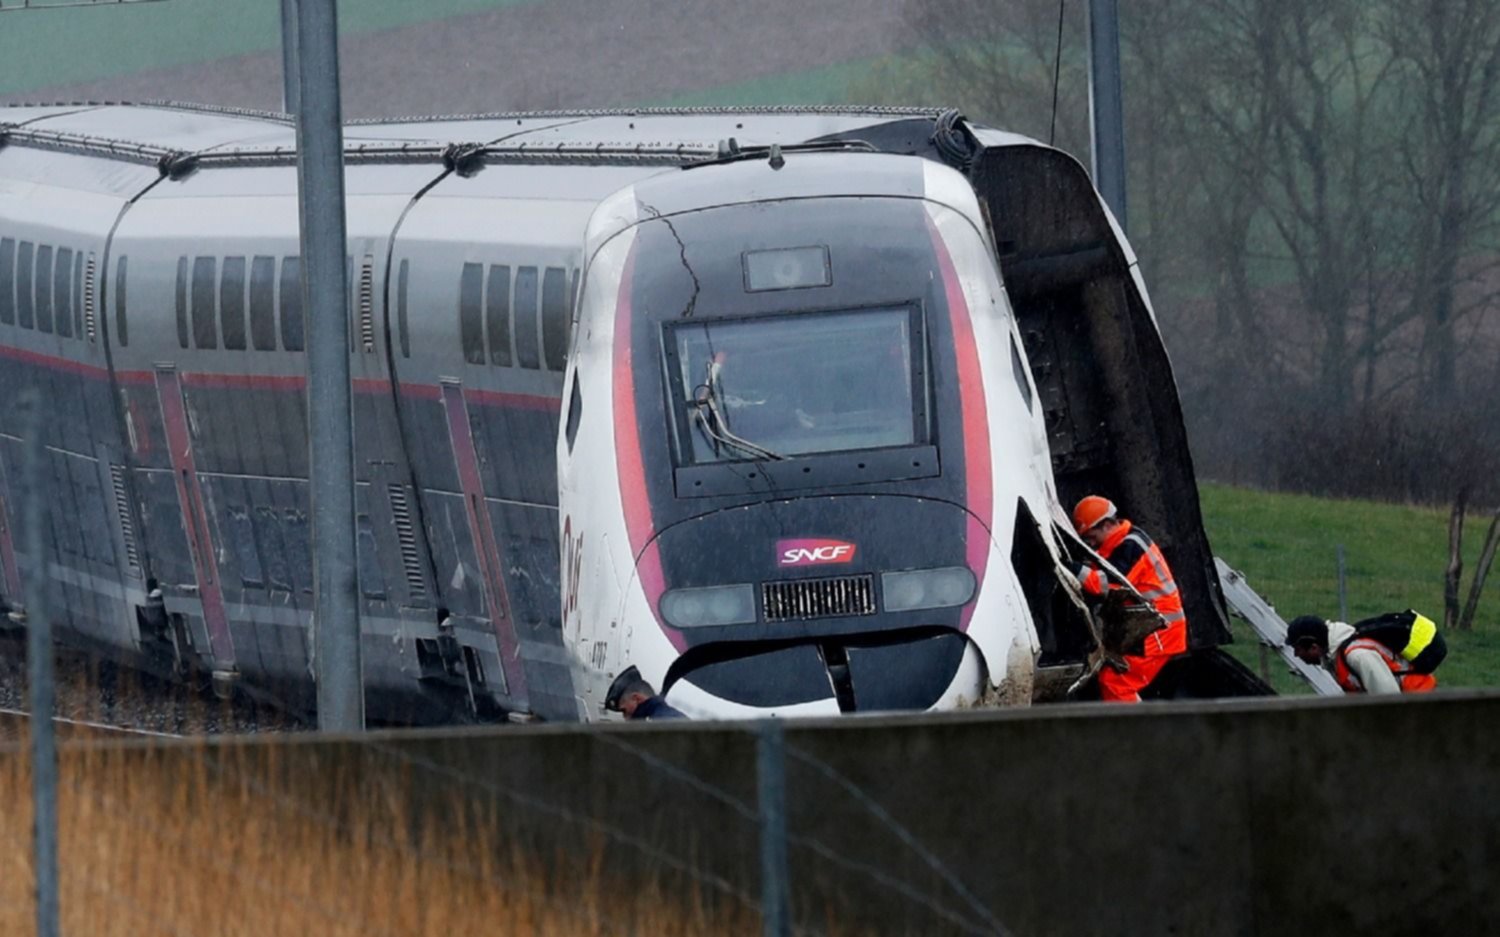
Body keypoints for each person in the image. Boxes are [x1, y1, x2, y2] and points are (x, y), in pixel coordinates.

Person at [1072, 495, 1189, 702]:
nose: (1091, 545)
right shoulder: (1127, 542)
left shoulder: (1131, 547)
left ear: (1107, 525)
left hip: (1158, 631)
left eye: (1092, 538)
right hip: (1153, 628)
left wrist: (1073, 568)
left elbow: (1105, 584)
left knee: (1116, 682)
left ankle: (1134, 731)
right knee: (1113, 679)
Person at [1285, 613, 1440, 695]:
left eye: (1298, 650)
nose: (1296, 655)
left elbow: (1389, 699)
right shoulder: (1336, 657)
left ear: (1314, 647)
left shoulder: (1357, 656)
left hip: (1420, 702)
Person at [604, 666, 687, 720]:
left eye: (625, 711)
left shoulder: (659, 725)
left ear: (636, 699)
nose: (626, 718)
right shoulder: (669, 716)